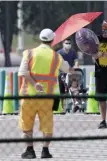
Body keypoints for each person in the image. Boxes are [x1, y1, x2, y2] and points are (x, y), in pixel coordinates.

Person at [18, 28, 69, 159]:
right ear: (52, 41)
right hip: (47, 97)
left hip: (28, 95)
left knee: (27, 124)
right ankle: (45, 151)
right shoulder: (57, 56)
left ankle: (30, 151)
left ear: (40, 39)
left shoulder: (29, 53)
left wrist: (35, 84)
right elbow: (67, 69)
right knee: (47, 125)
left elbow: (23, 72)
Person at [57, 38, 79, 108]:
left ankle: (75, 103)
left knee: (74, 87)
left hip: (71, 73)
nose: (68, 45)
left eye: (69, 43)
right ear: (63, 44)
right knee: (62, 90)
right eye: (66, 43)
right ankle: (62, 106)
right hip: (62, 73)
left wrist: (76, 66)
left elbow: (76, 61)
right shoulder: (59, 53)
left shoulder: (73, 52)